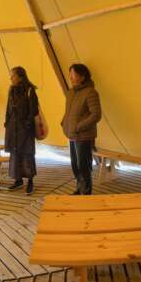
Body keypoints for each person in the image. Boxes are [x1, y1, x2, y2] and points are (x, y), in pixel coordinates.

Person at [61, 63, 102, 195]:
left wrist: (78, 127)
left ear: (82, 76)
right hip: (72, 135)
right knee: (75, 165)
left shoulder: (91, 92)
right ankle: (80, 188)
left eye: (73, 75)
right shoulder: (71, 92)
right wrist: (64, 122)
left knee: (83, 166)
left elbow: (96, 114)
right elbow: (69, 111)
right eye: (70, 75)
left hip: (84, 136)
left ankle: (86, 193)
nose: (71, 78)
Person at [4, 66, 39, 194]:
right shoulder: (11, 90)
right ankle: (18, 180)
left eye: (13, 75)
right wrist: (6, 122)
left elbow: (34, 110)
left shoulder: (30, 90)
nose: (11, 78)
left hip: (25, 129)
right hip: (13, 128)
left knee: (27, 154)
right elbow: (8, 108)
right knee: (15, 155)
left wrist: (27, 124)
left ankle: (30, 181)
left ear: (21, 76)